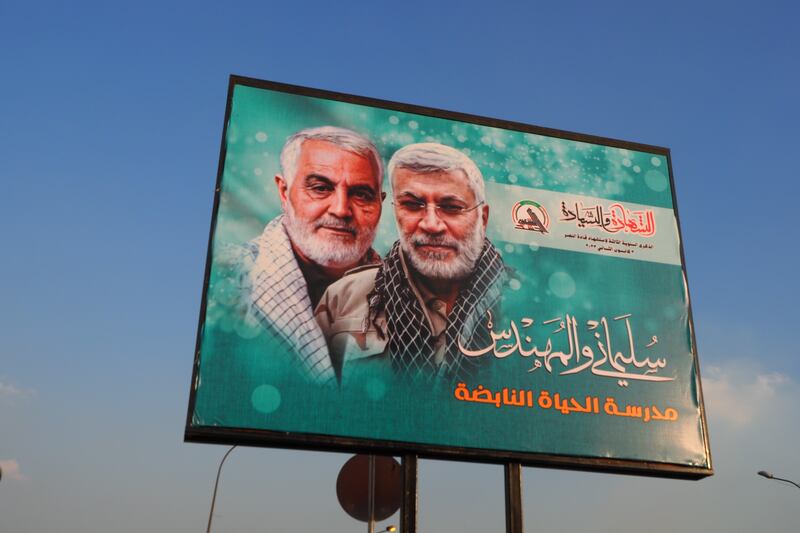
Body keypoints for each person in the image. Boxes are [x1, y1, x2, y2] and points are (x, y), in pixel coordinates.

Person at [316, 142, 508, 383]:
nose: (431, 224)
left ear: (483, 218)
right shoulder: (344, 298)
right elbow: (312, 403)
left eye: (451, 207)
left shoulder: (525, 308)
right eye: (412, 204)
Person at [229, 126, 384, 384]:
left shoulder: (411, 296)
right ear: (284, 192)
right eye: (321, 188)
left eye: (361, 194)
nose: (341, 209)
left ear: (380, 202)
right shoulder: (225, 280)